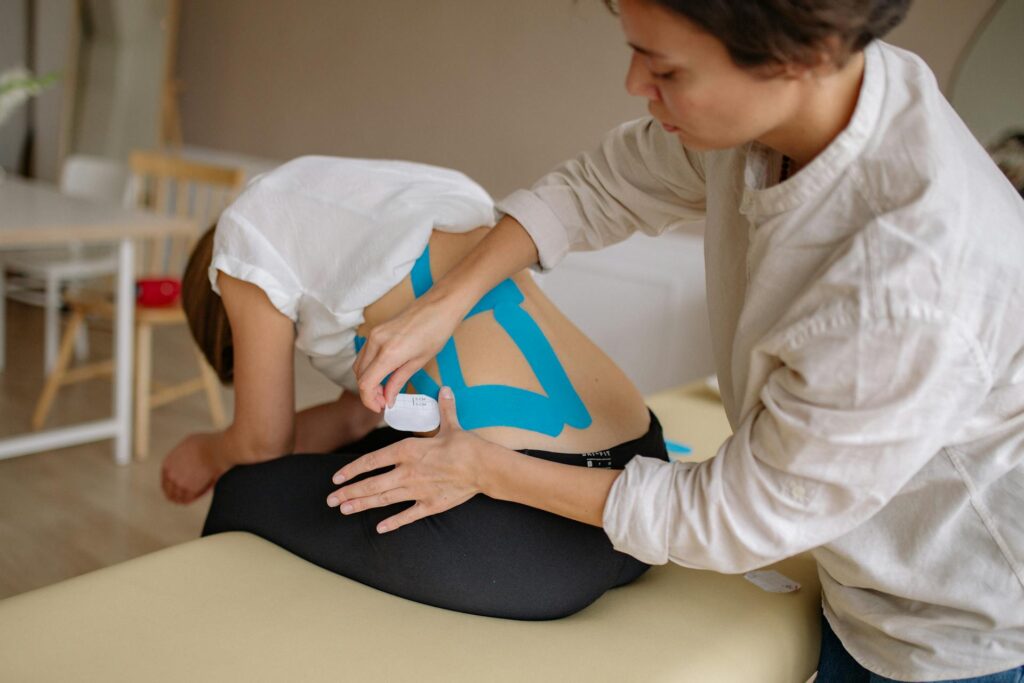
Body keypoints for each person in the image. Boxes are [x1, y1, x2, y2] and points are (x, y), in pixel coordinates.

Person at [340, 1, 1024, 681]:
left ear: (799, 58)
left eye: (666, 68)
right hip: (857, 579)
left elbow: (730, 514)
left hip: (958, 630)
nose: (636, 85)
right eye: (636, 51)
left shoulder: (905, 285)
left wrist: (482, 468)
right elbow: (598, 186)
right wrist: (444, 301)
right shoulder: (810, 103)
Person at [161, 155, 669, 620]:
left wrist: (208, 453)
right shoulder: (402, 200)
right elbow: (352, 420)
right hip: (641, 482)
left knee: (243, 489)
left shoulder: (245, 235)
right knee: (373, 449)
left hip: (533, 542)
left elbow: (260, 446)